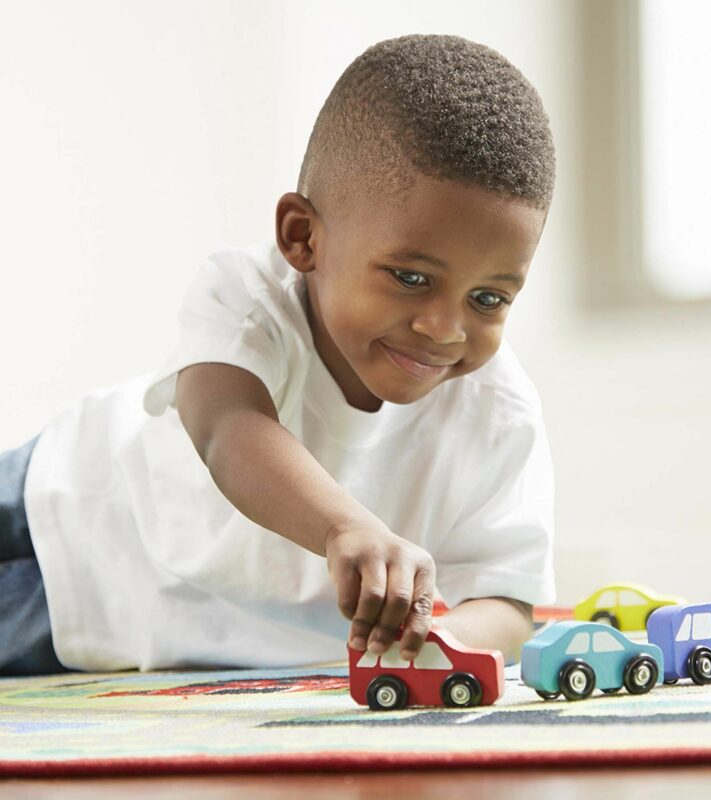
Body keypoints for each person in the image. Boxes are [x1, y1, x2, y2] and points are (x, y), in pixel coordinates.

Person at [0, 34, 556, 675]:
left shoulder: (501, 416)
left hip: (112, 621)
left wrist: (437, 636)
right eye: (410, 277)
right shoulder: (251, 297)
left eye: (489, 298)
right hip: (68, 497)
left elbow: (509, 602)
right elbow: (229, 429)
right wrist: (342, 526)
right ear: (303, 237)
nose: (445, 328)